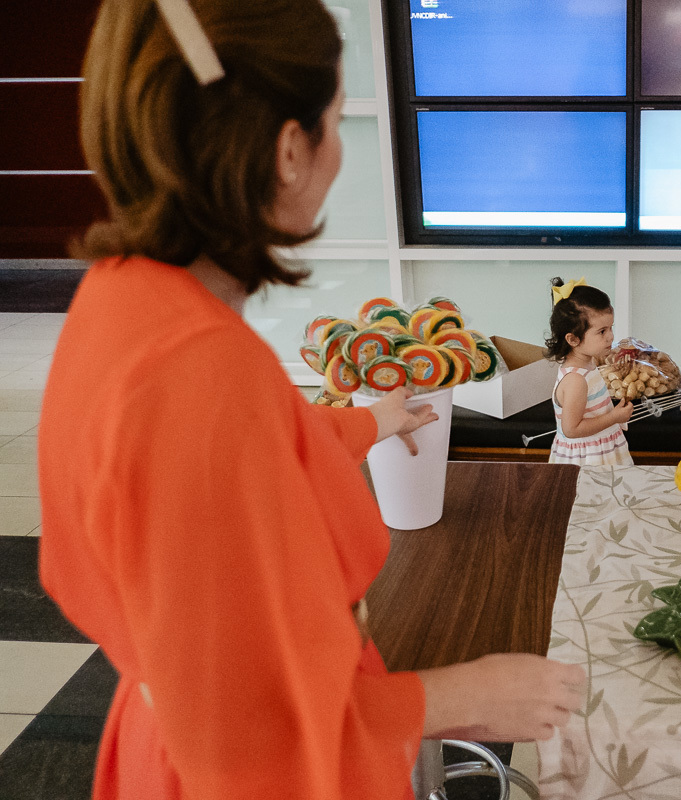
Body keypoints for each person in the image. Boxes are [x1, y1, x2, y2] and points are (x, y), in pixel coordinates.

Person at [36, 2, 583, 798]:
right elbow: (253, 735)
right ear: (290, 149)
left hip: (163, 731)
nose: (334, 159)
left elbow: (235, 472)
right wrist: (459, 695)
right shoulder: (203, 373)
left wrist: (370, 421)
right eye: (333, 125)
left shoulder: (121, 299)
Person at [545, 277, 635, 464]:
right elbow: (571, 429)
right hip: (587, 457)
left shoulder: (587, 361)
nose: (611, 336)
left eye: (611, 328)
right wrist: (613, 417)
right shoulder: (576, 381)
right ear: (573, 339)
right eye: (602, 331)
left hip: (600, 447)